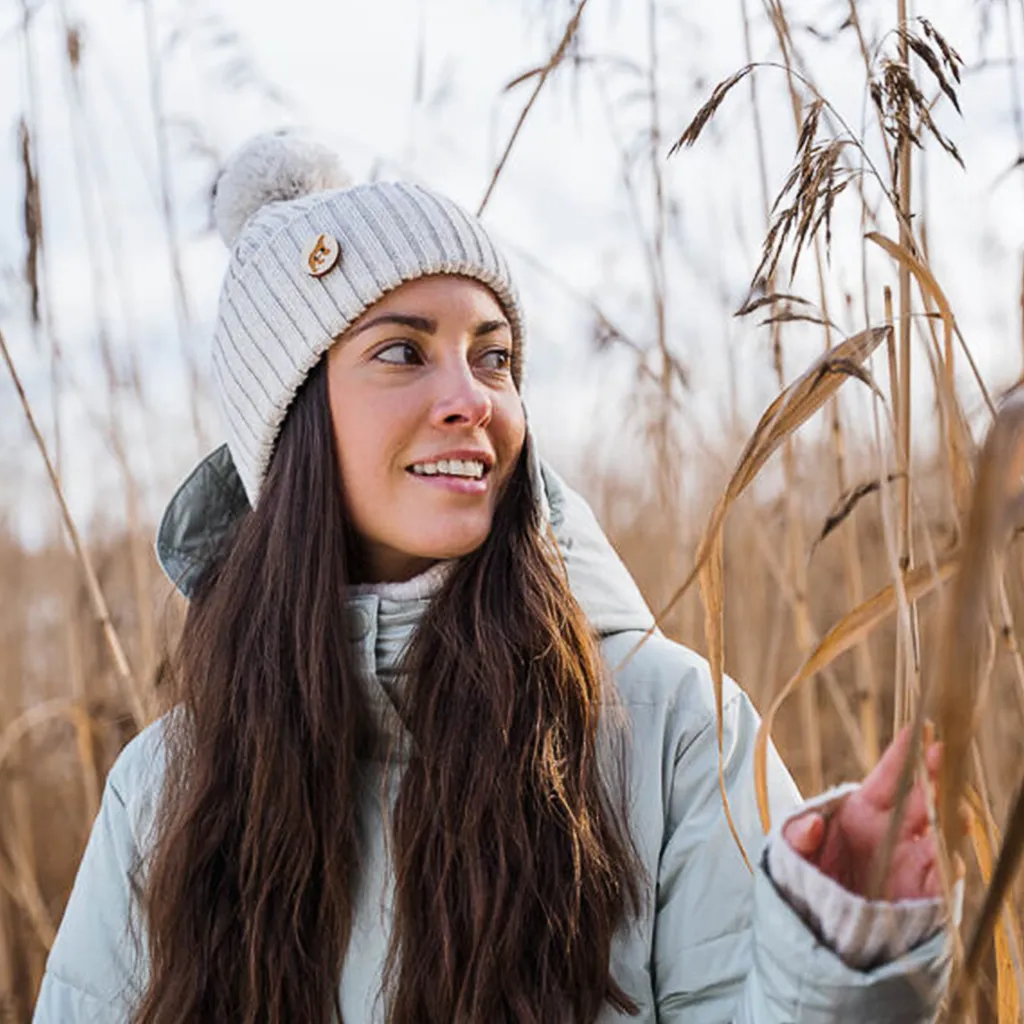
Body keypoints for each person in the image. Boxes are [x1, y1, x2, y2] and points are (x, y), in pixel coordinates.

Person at [33, 132, 956, 1024]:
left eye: (494, 356)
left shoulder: (669, 728)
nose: (472, 398)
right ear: (289, 425)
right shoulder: (166, 785)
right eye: (403, 351)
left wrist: (835, 953)